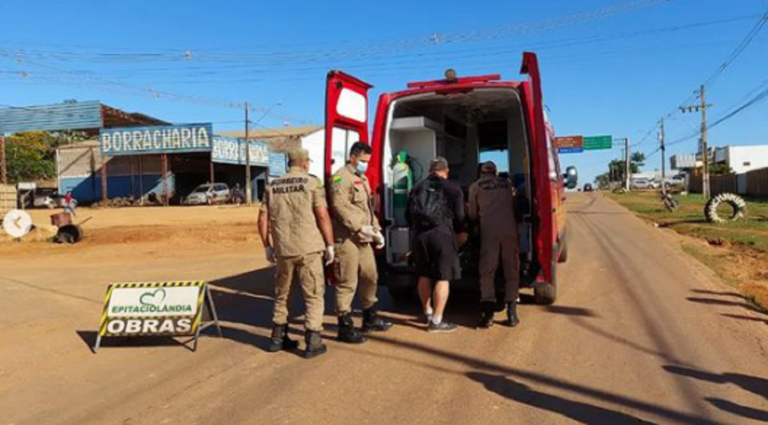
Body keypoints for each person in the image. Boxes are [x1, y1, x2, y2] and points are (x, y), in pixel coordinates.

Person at [258, 148, 336, 359]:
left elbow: (262, 219)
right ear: (304, 163)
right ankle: (313, 341)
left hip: (284, 249)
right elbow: (322, 216)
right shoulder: (312, 183)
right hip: (309, 248)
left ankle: (277, 338)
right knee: (313, 294)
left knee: (282, 294)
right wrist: (330, 245)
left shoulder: (272, 186)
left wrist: (267, 245)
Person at [330, 142, 393, 344]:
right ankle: (345, 326)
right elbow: (339, 206)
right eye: (363, 161)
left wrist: (376, 230)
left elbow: (368, 208)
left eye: (367, 161)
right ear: (353, 157)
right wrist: (358, 227)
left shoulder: (362, 179)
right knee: (347, 282)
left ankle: (370, 317)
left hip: (364, 237)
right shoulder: (340, 177)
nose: (366, 164)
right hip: (347, 237)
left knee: (370, 276)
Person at [407, 157, 466, 333]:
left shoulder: (416, 187)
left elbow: (407, 216)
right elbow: (460, 215)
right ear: (445, 171)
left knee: (423, 275)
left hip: (419, 236)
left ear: (430, 171)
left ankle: (428, 313)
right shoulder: (452, 188)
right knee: (443, 277)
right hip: (442, 235)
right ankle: (437, 321)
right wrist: (460, 232)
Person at [468, 161, 520, 328]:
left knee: (487, 271)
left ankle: (488, 315)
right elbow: (515, 207)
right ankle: (512, 314)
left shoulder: (475, 186)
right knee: (511, 269)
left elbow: (472, 215)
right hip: (509, 231)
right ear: (496, 172)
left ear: (481, 172)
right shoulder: (507, 184)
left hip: (488, 232)